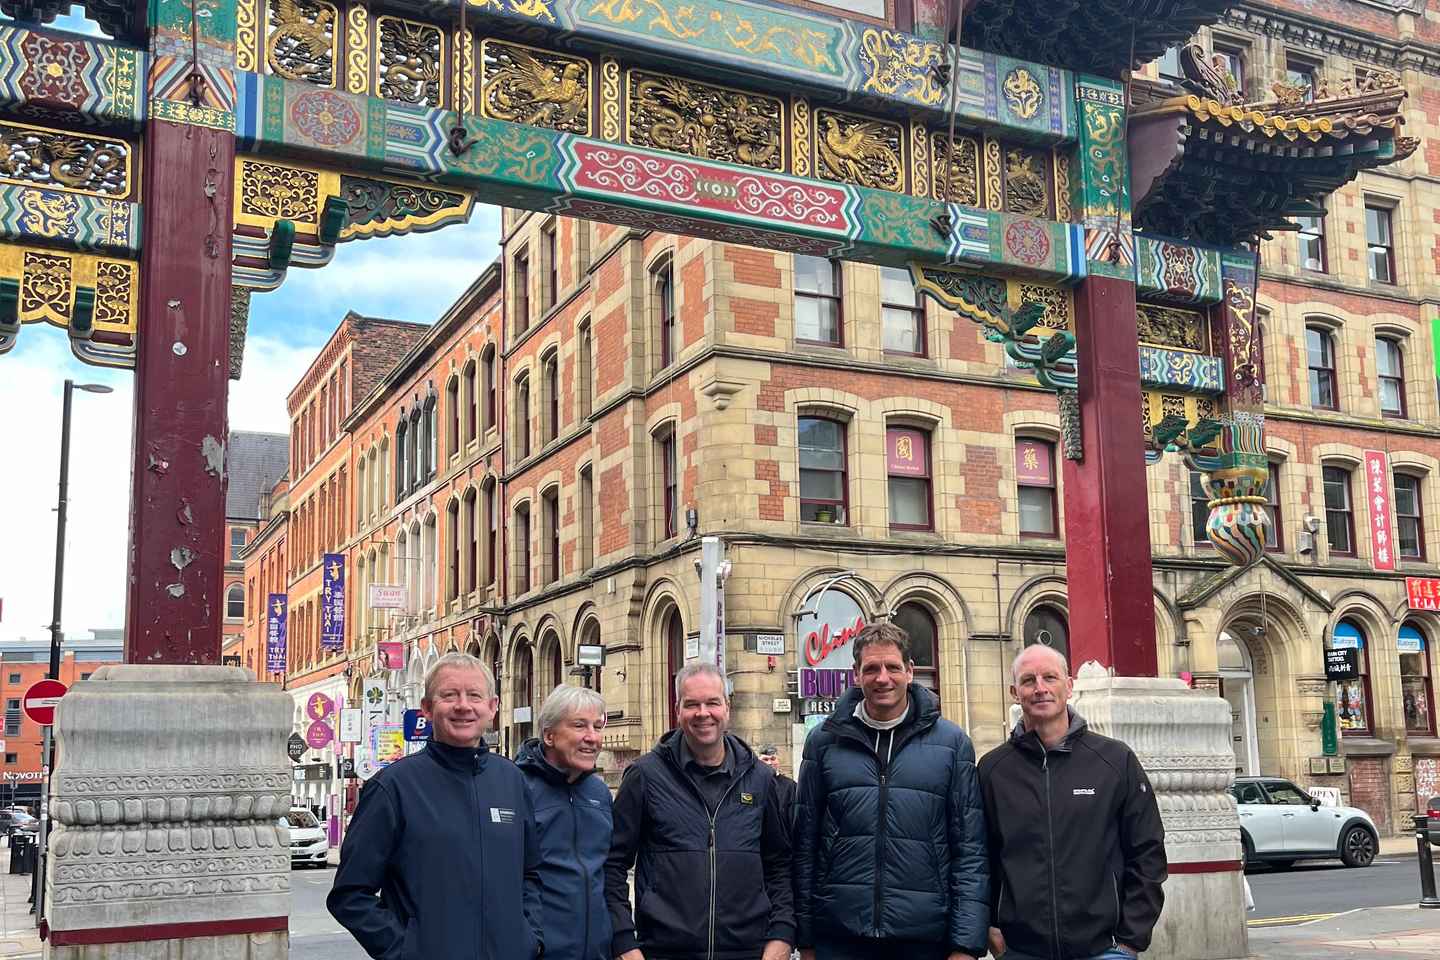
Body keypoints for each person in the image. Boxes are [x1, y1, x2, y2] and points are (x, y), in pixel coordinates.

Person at [328, 652, 544, 960]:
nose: (463, 706)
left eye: (474, 695)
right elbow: (350, 895)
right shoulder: (393, 787)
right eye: (449, 695)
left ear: (492, 707)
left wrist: (529, 938)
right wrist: (407, 951)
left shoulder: (512, 780)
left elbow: (531, 873)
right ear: (427, 708)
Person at [793, 622, 989, 960]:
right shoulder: (824, 742)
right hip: (839, 937)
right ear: (856, 674)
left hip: (924, 938)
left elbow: (970, 850)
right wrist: (805, 938)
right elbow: (805, 843)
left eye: (892, 667)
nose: (882, 678)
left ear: (910, 671)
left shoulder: (952, 744)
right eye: (871, 668)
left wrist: (965, 946)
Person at [978, 645, 1167, 960]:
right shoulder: (992, 770)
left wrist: (1130, 941)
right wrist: (990, 927)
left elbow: (1148, 852)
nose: (1040, 688)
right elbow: (979, 856)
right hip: (1020, 950)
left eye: (1050, 677)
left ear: (1069, 686)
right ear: (1014, 692)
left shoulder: (1115, 761)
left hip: (1103, 949)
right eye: (1028, 680)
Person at [605, 662, 794, 960]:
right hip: (664, 952)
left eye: (712, 703)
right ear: (678, 710)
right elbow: (612, 864)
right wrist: (623, 941)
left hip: (748, 951)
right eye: (692, 704)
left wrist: (782, 933)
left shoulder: (760, 779)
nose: (703, 713)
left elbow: (779, 864)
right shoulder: (645, 776)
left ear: (727, 708)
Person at [517, 685, 613, 960]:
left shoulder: (599, 792)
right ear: (549, 735)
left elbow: (608, 872)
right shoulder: (517, 788)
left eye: (597, 727)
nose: (592, 737)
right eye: (579, 725)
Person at [758, 744, 797, 826]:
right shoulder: (753, 785)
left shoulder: (790, 786)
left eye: (773, 759)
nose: (769, 763)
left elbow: (794, 817)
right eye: (765, 759)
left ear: (778, 760)